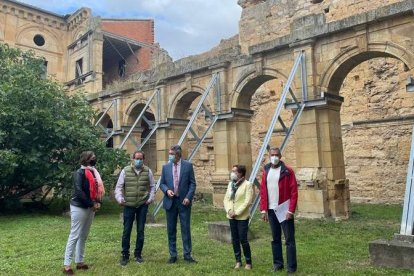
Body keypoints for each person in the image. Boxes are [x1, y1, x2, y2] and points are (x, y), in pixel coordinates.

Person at [63, 151, 105, 275]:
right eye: (92, 158)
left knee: (84, 235)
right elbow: (79, 191)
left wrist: (97, 202)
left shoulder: (94, 173)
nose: (94, 160)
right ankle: (67, 265)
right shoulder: (79, 173)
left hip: (90, 206)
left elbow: (97, 190)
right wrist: (92, 203)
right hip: (79, 206)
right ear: (86, 160)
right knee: (74, 235)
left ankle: (80, 262)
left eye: (94, 158)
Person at [260, 147, 298, 274]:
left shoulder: (288, 171)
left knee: (289, 240)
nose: (274, 157)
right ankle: (278, 264)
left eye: (276, 155)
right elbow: (263, 191)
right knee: (275, 238)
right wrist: (263, 210)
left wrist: (291, 210)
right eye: (272, 155)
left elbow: (294, 192)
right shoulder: (266, 171)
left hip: (284, 209)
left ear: (280, 156)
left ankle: (291, 267)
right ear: (269, 156)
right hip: (271, 210)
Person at [115, 150, 156, 266]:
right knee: (126, 230)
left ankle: (138, 254)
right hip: (128, 205)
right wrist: (119, 199)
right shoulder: (125, 171)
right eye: (136, 158)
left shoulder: (148, 171)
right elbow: (118, 187)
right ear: (132, 159)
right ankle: (125, 255)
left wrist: (150, 198)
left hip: (142, 205)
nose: (138, 160)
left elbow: (153, 186)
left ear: (143, 160)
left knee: (140, 230)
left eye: (141, 159)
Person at [160, 145, 197, 264]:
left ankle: (187, 254)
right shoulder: (165, 167)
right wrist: (167, 190)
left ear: (178, 155)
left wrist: (188, 197)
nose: (169, 156)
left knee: (185, 228)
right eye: (169, 154)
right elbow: (162, 183)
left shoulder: (188, 166)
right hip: (170, 201)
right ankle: (173, 255)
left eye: (172, 154)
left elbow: (192, 184)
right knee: (171, 229)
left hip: (183, 202)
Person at [223, 165, 254, 270]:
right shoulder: (231, 184)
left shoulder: (248, 185)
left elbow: (247, 202)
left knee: (243, 239)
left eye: (234, 171)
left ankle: (248, 262)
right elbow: (226, 199)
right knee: (235, 239)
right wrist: (229, 210)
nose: (232, 173)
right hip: (231, 216)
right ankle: (238, 261)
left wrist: (237, 212)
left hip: (242, 217)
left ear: (241, 173)